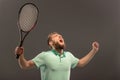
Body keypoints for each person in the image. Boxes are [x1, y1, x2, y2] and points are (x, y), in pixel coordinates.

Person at [15, 32, 99, 80]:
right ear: (50, 43)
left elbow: (81, 63)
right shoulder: (44, 56)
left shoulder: (69, 56)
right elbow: (25, 65)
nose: (60, 36)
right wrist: (21, 55)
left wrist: (94, 51)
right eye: (56, 36)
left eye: (60, 36)